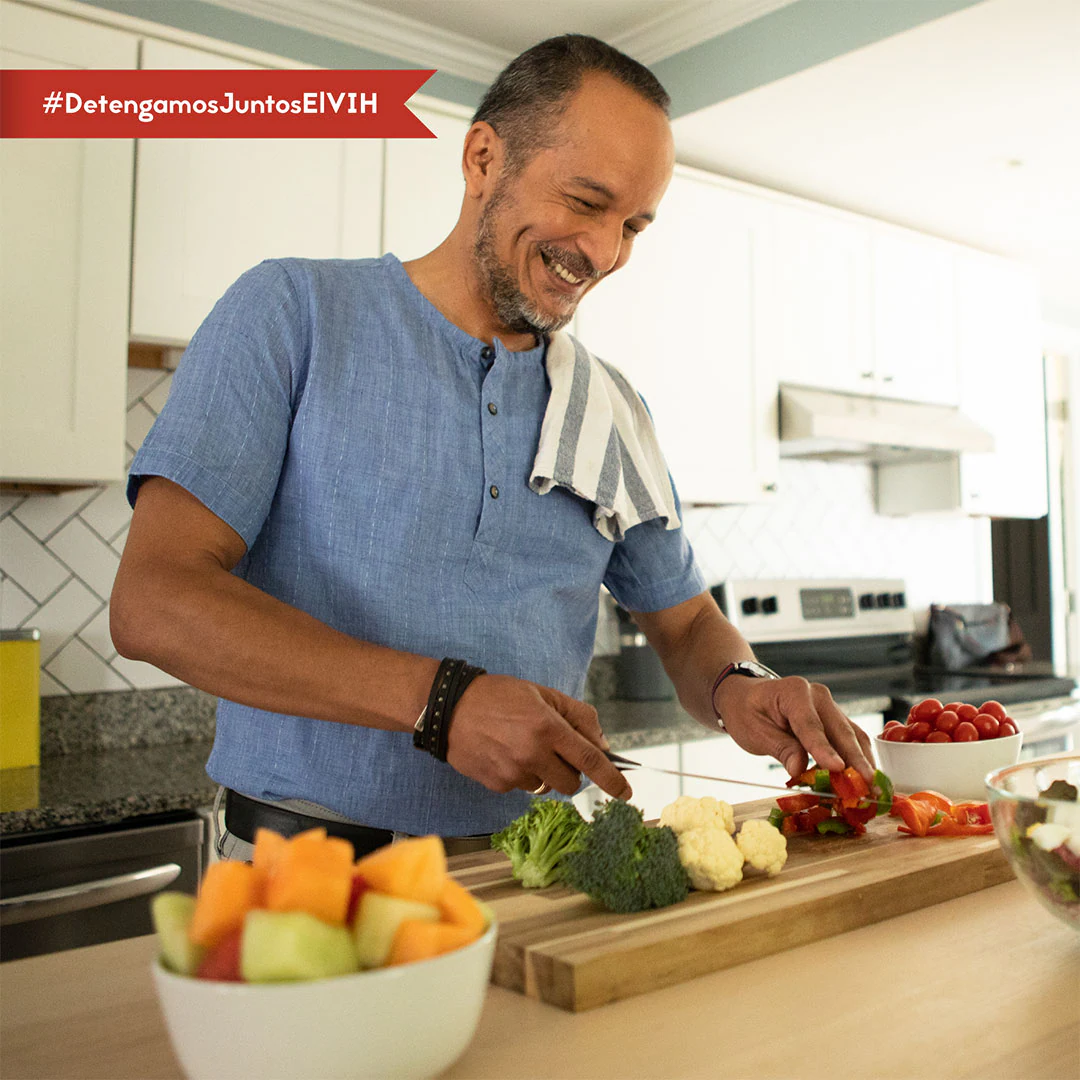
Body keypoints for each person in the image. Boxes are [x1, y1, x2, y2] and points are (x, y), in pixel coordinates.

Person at [111, 35, 873, 859]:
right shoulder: (294, 314)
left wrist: (740, 686)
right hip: (303, 874)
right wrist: (442, 703)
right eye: (586, 201)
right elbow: (155, 602)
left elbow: (685, 625)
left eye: (633, 226)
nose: (605, 254)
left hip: (534, 874)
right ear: (482, 157)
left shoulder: (610, 405)